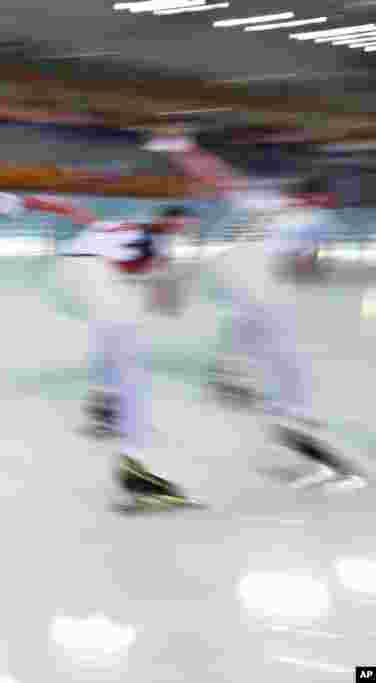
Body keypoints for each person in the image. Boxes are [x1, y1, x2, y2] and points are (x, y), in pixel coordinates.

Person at [145, 128, 363, 490]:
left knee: (290, 402)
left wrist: (183, 149)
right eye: (320, 199)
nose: (321, 205)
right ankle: (319, 462)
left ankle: (346, 471)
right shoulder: (281, 211)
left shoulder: (305, 220)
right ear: (313, 197)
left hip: (270, 310)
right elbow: (220, 179)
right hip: (258, 310)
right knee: (278, 404)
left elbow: (220, 179)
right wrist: (183, 150)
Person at [0, 191, 201, 511]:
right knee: (131, 359)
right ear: (172, 221)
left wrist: (19, 203)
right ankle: (135, 467)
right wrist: (167, 286)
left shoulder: (119, 225)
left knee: (115, 336)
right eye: (181, 225)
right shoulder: (155, 239)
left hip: (66, 274)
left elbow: (72, 209)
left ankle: (105, 402)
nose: (181, 231)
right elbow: (158, 292)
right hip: (94, 277)